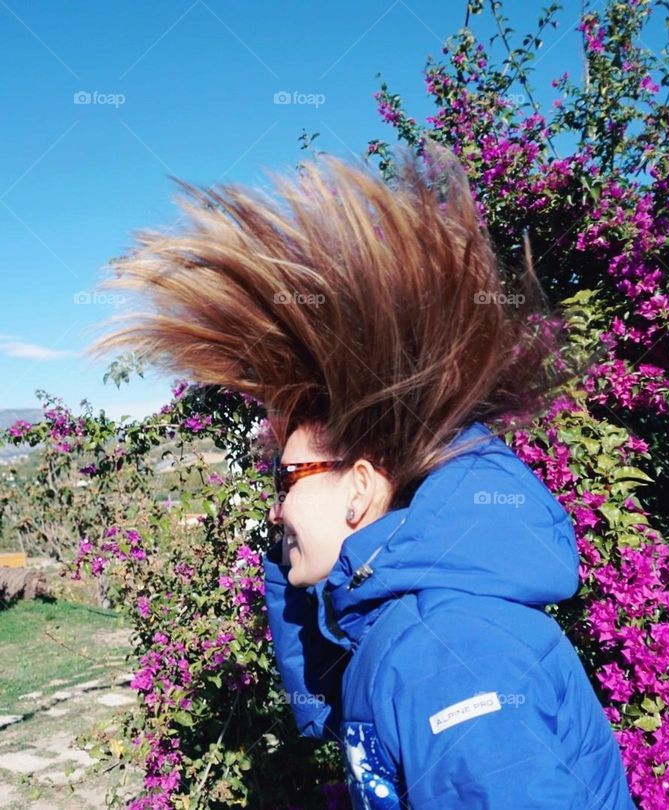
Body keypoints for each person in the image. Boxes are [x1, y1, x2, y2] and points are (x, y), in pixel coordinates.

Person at [89, 144, 635, 808]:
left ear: (360, 487)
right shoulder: (399, 628)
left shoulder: (446, 653)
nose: (275, 511)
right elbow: (327, 701)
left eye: (288, 481)